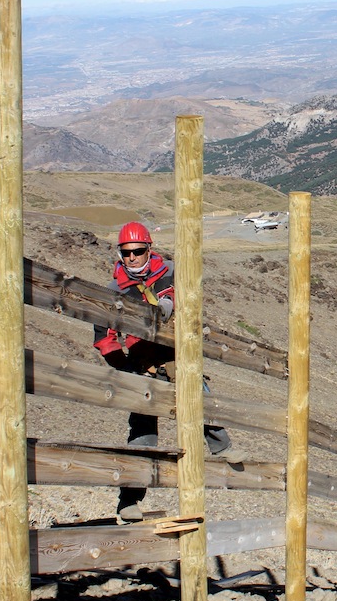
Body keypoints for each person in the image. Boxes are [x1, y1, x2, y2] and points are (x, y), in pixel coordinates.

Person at [93, 221, 234, 522]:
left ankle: (223, 449)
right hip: (141, 363)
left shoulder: (171, 274)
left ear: (149, 249)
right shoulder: (114, 290)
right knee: (142, 433)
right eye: (126, 252)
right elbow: (103, 338)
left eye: (138, 251)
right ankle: (129, 500)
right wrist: (126, 366)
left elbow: (194, 304)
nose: (131, 258)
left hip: (174, 355)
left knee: (199, 398)